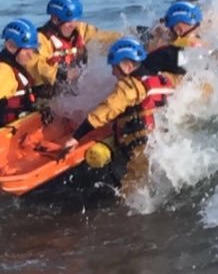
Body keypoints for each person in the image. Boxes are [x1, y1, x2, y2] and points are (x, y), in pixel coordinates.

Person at [63, 37, 180, 196]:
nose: (112, 72)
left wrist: (76, 137)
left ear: (127, 66)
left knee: (131, 194)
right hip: (164, 143)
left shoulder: (129, 87)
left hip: (141, 150)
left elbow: (107, 110)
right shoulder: (166, 78)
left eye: (114, 68)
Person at [26, 0, 122, 98]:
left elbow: (105, 37)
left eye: (75, 20)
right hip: (48, 96)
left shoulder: (80, 30)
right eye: (69, 21)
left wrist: (133, 35)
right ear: (55, 19)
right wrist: (61, 74)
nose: (73, 25)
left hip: (74, 91)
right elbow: (34, 65)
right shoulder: (41, 39)